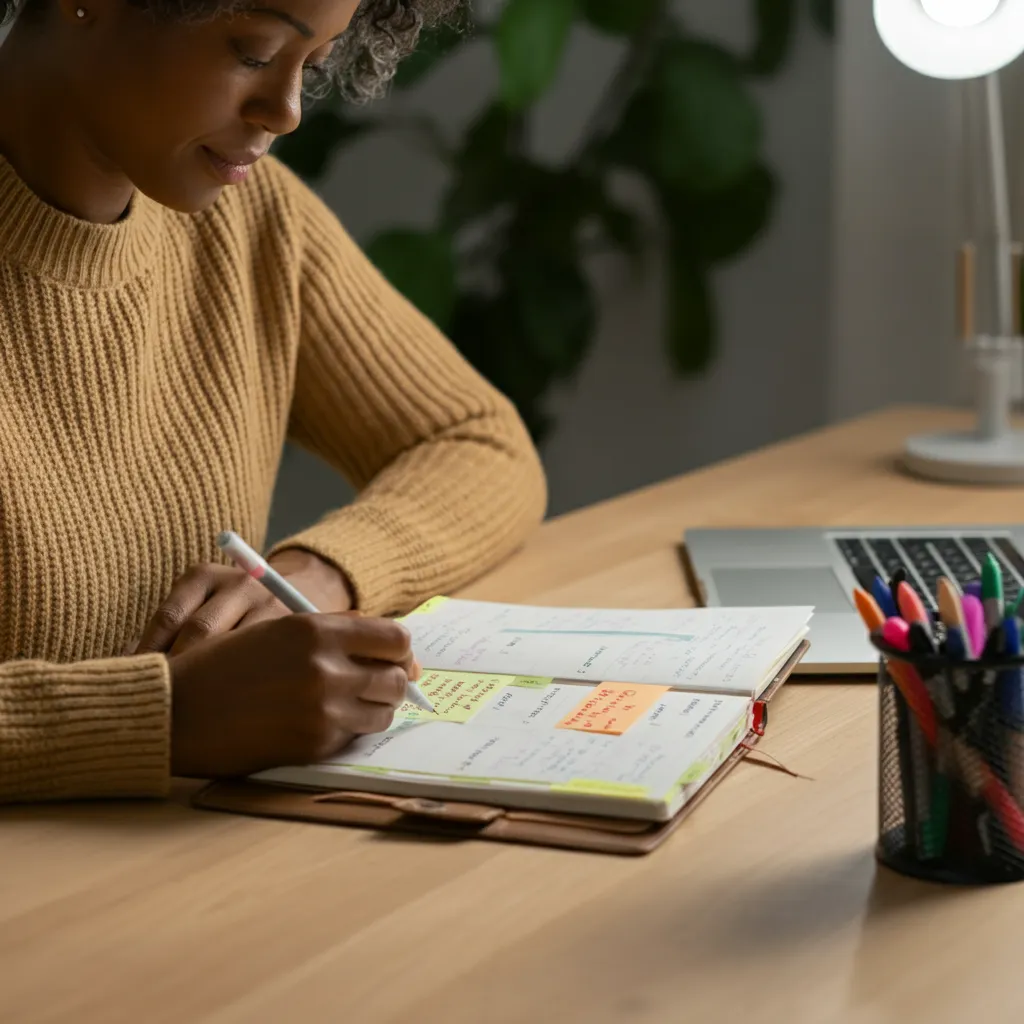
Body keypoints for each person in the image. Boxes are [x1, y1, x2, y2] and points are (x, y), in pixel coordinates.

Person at [0, 0, 547, 802]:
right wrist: (164, 719)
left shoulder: (251, 220)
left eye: (315, 64)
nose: (286, 111)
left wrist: (315, 577)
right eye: (253, 53)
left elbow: (476, 441)